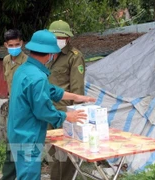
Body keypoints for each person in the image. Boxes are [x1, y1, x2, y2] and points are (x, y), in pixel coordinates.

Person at [7, 29, 96, 180]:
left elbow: (50, 91)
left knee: (24, 173)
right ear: (50, 54)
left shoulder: (23, 70)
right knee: (29, 176)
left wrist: (77, 96)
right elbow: (43, 111)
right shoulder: (38, 77)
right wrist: (67, 116)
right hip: (29, 135)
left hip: (18, 131)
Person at [47, 20, 85, 180]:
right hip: (48, 111)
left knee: (67, 154)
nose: (58, 40)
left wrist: (75, 117)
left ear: (68, 39)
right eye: (55, 37)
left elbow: (77, 89)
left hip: (65, 113)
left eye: (61, 37)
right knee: (52, 151)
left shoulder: (74, 57)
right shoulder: (46, 55)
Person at [0, 29, 28, 180]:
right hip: (13, 106)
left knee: (22, 144)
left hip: (25, 108)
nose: (15, 47)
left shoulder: (27, 62)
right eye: (11, 45)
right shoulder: (5, 60)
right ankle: (9, 175)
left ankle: (20, 175)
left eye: (17, 44)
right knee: (11, 141)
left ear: (22, 43)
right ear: (6, 45)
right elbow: (8, 83)